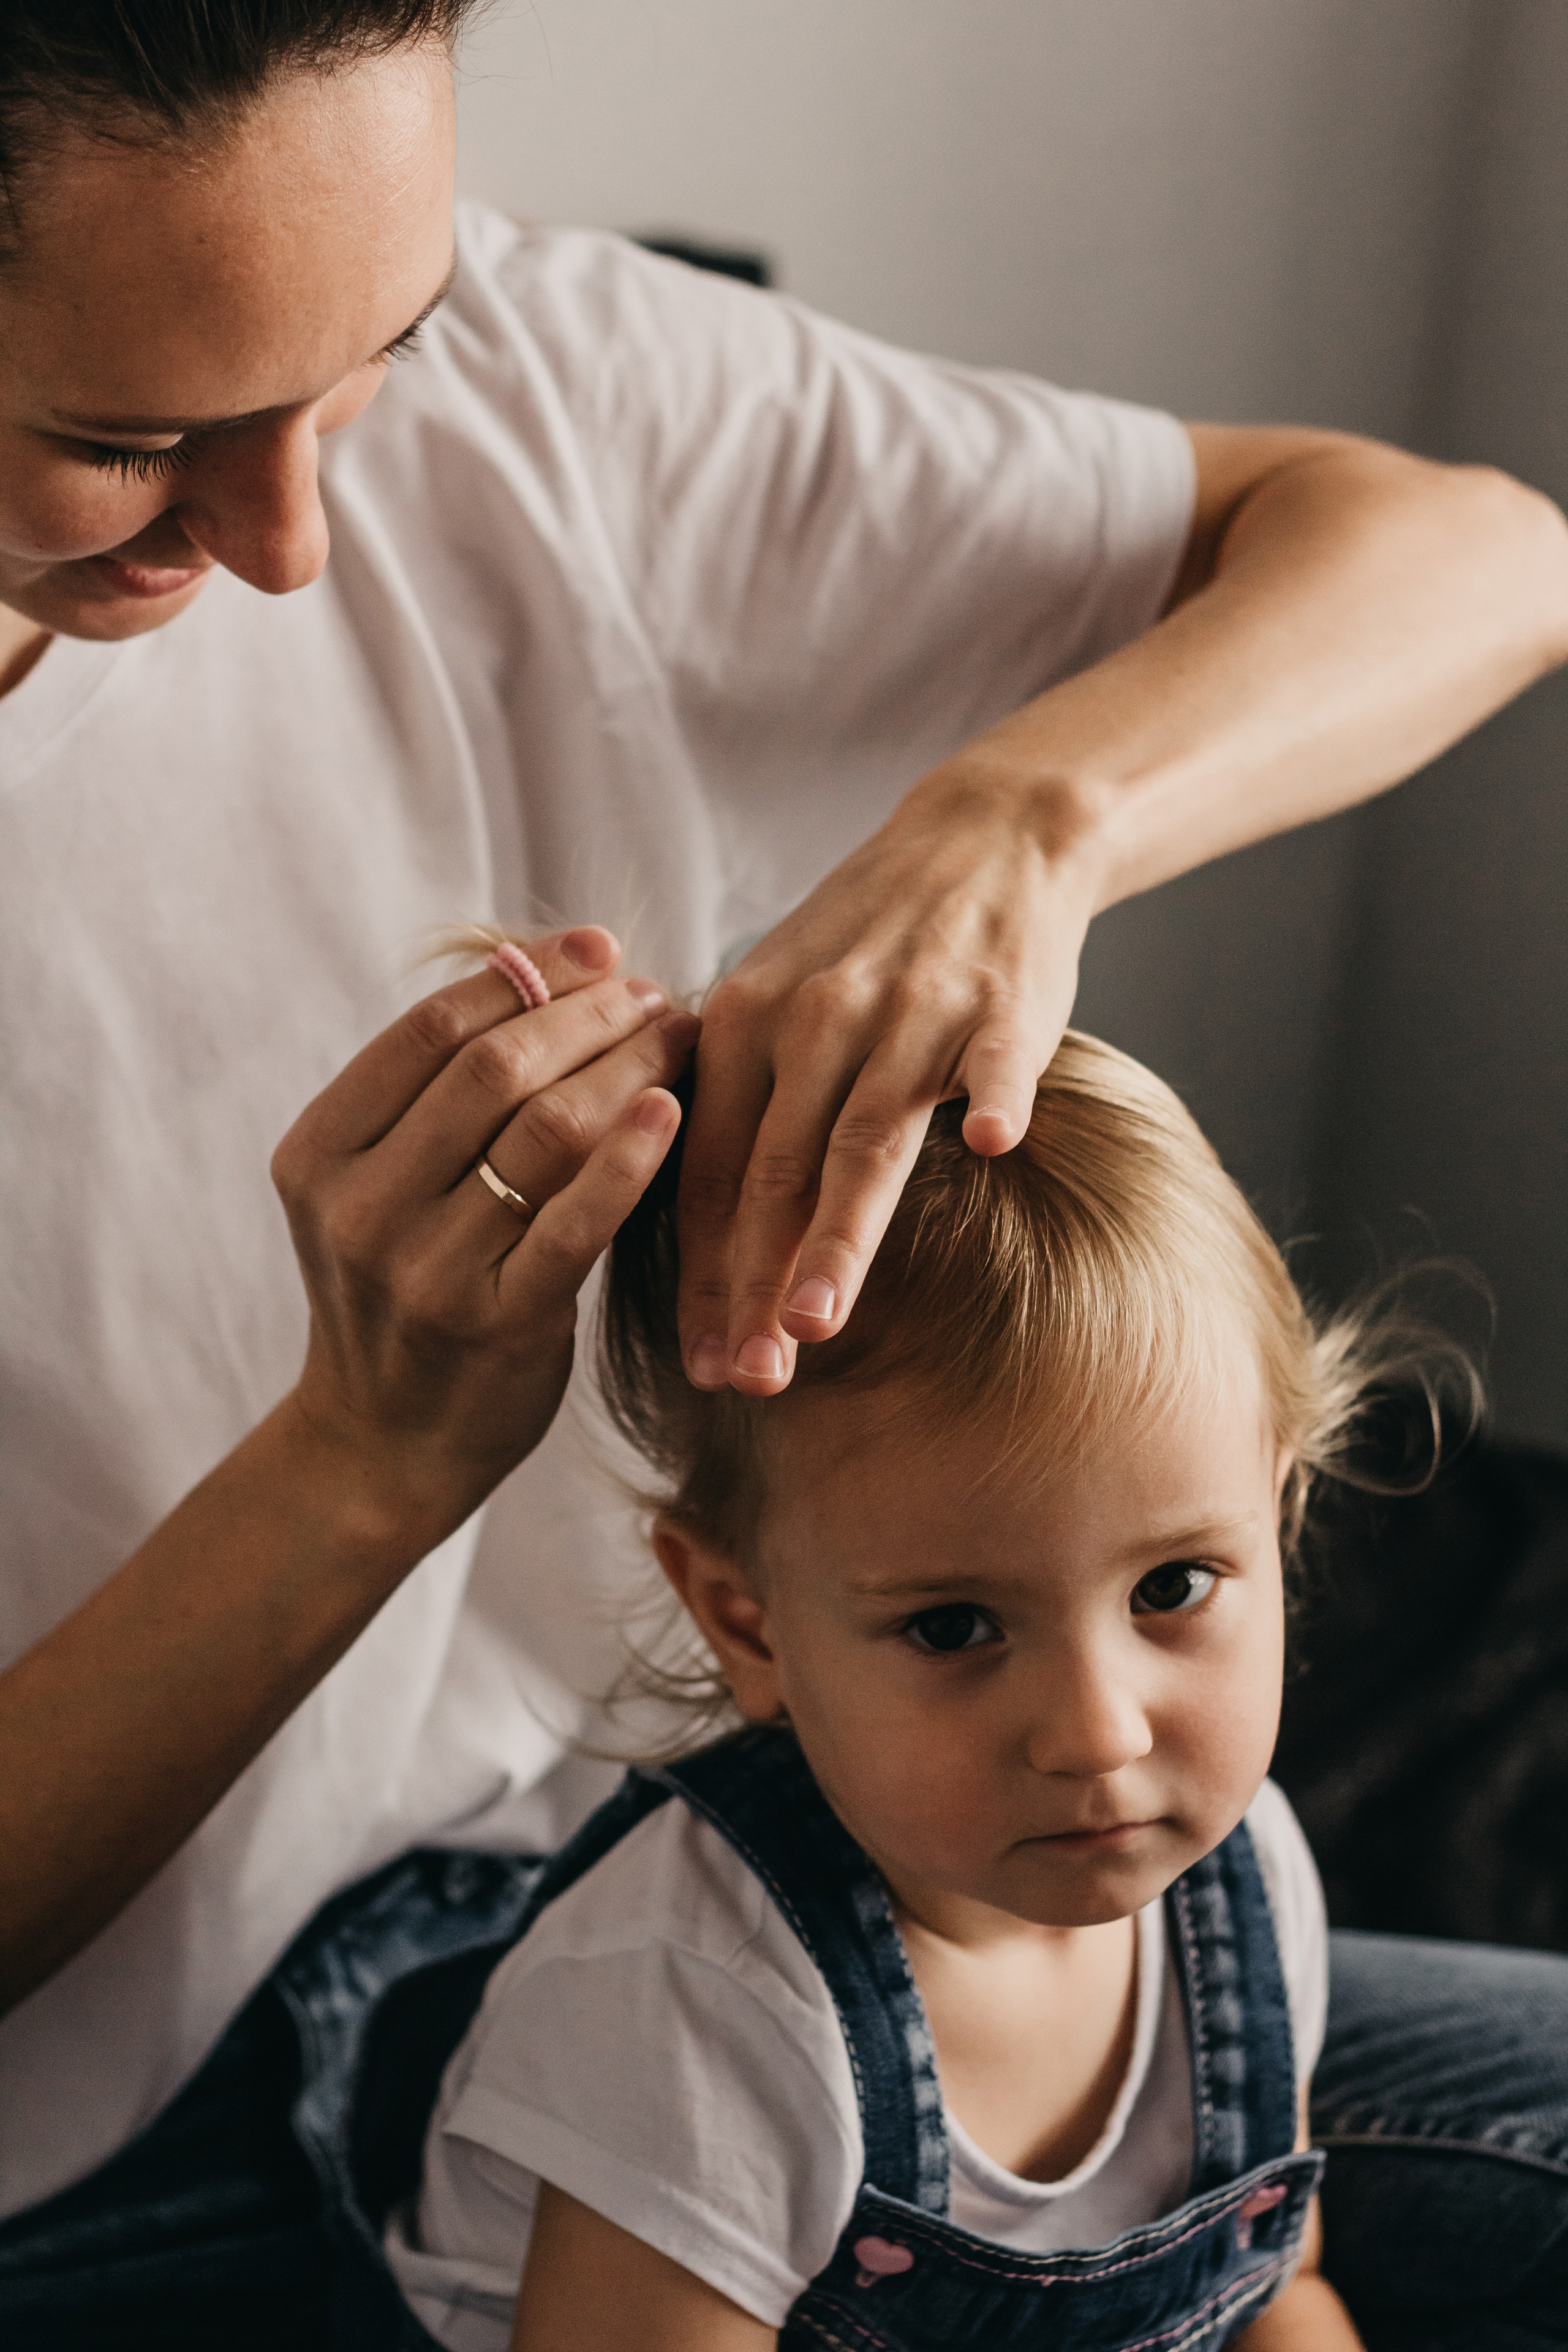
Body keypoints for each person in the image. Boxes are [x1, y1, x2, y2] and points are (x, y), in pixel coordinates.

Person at [2, 0, 1568, 2340]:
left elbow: (1477, 553)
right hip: (108, 2160)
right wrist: (355, 1469)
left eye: (371, 358)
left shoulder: (553, 395)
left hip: (664, 1893)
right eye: (124, 443)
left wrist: (1029, 816)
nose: (295, 542)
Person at [338, 1031, 1553, 2352]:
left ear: (1279, 1513)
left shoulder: (1244, 1882)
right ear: (748, 1625)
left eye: (1170, 1589)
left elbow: (1277, 2294)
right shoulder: (695, 2001)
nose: (1098, 1732)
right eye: (955, 1625)